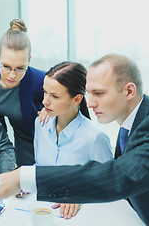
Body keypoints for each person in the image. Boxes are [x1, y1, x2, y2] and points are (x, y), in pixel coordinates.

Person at [0, 54, 149, 225]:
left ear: (129, 91)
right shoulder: (131, 127)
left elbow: (118, 176)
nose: (91, 103)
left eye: (99, 93)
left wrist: (22, 178)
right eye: (89, 93)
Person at [34, 61, 113, 219]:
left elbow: (109, 184)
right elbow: (39, 168)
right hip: (40, 209)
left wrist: (79, 194)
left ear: (77, 100)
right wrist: (23, 183)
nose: (45, 101)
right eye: (45, 92)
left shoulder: (95, 138)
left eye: (55, 96)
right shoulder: (41, 124)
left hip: (78, 217)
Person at [0, 19, 45, 166]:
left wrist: (49, 109)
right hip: (18, 136)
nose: (12, 75)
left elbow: (67, 94)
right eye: (6, 66)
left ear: (29, 60)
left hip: (41, 138)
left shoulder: (40, 80)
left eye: (20, 68)